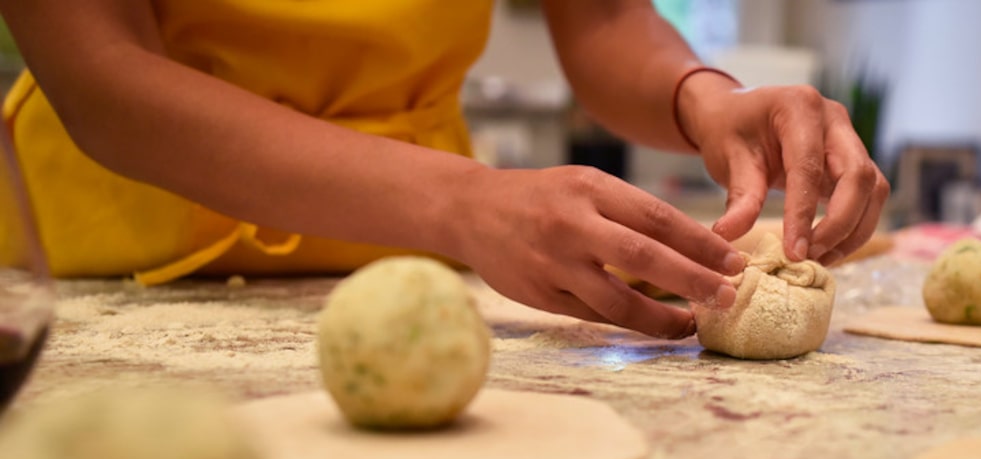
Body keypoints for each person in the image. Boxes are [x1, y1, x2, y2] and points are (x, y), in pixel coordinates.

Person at [0, 1, 889, 338]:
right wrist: (463, 201)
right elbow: (102, 76)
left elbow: (605, 17)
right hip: (117, 260)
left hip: (411, 270)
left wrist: (705, 96)